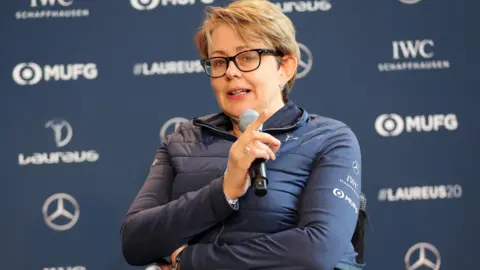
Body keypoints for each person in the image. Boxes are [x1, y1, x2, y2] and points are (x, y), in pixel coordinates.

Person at [120, 0, 365, 269]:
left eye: (247, 57)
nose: (231, 71)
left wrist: (190, 260)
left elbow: (317, 251)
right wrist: (225, 190)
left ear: (285, 67)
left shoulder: (328, 139)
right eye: (218, 61)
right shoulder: (182, 141)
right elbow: (135, 241)